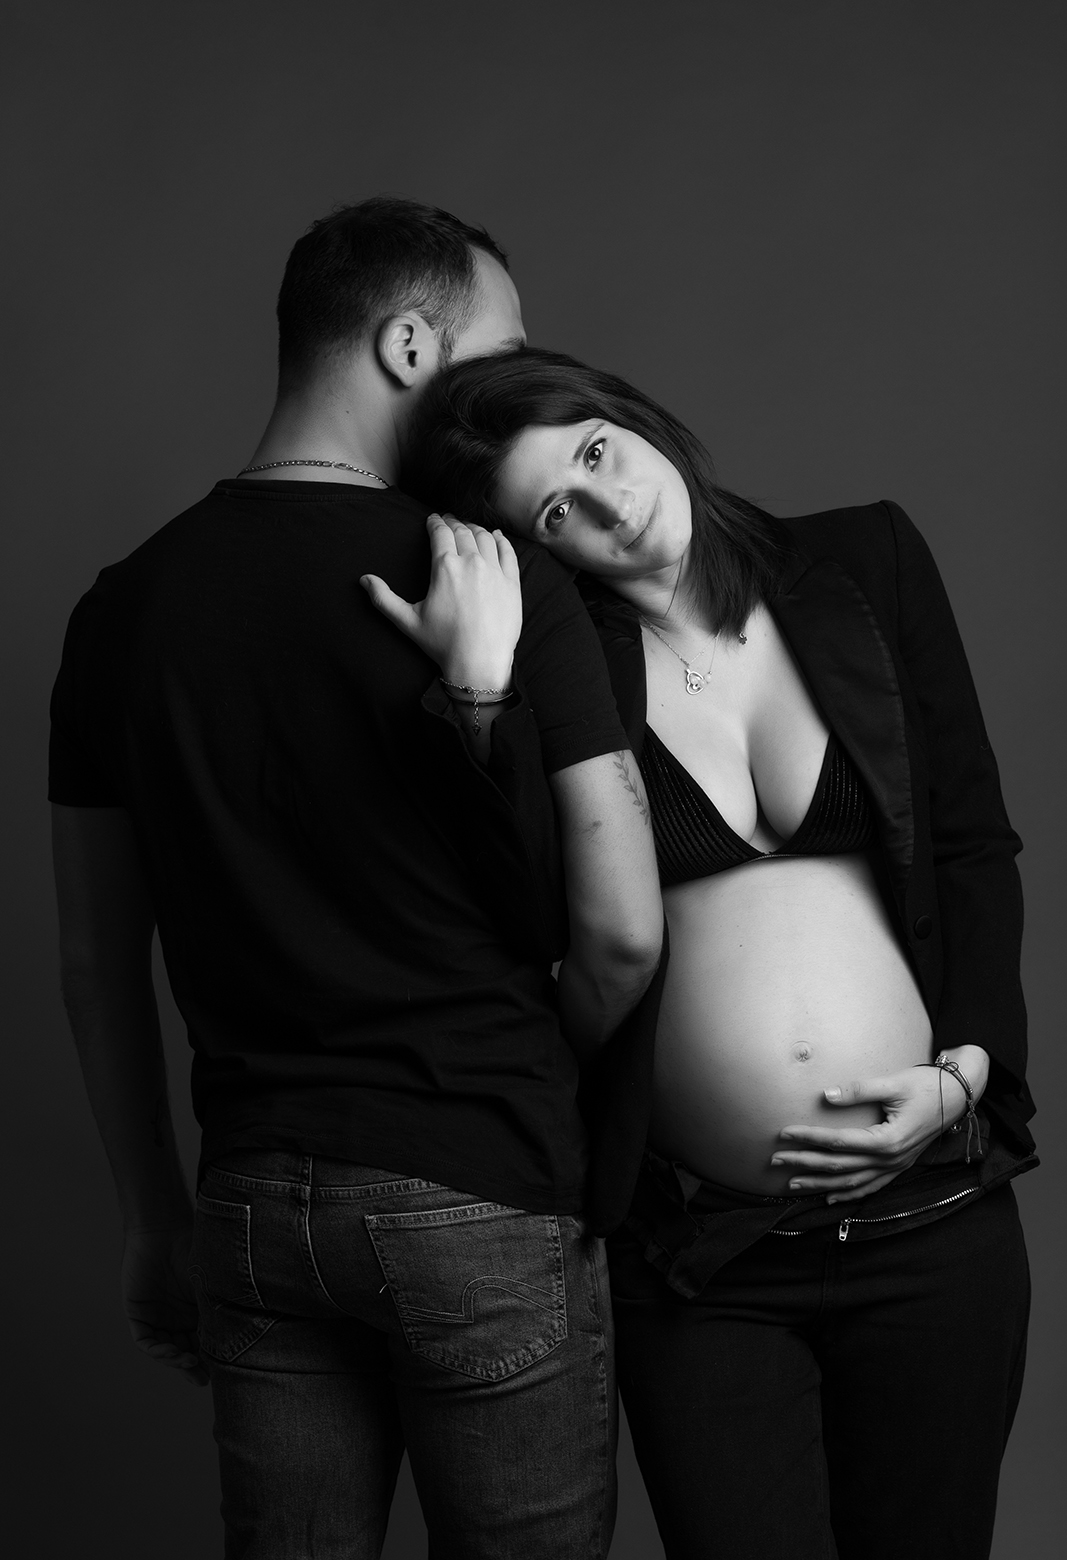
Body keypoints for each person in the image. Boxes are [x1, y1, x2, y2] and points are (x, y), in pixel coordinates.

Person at [49, 205, 662, 1559]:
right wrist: (516, 1096)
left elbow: (96, 961)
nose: (514, 381)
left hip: (253, 1204)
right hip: (480, 1185)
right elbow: (621, 933)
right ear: (406, 346)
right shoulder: (497, 578)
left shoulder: (120, 610)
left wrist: (153, 1221)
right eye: (497, 349)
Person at [396, 345, 1038, 1560]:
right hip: (702, 1258)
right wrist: (477, 692)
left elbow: (969, 844)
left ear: (629, 415)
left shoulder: (865, 560)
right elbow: (512, 917)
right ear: (535, 550)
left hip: (931, 1217)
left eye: (595, 452)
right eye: (556, 512)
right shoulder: (563, 672)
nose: (609, 504)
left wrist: (964, 1075)